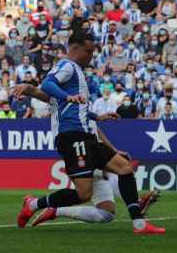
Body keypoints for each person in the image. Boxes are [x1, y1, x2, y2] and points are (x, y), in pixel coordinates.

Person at [14, 32, 164, 234]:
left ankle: (140, 224)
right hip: (72, 137)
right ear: (75, 48)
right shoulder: (66, 65)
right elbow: (49, 84)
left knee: (125, 168)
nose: (91, 55)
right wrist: (66, 96)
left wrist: (96, 117)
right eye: (89, 51)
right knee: (84, 194)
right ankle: (33, 205)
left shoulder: (76, 72)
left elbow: (72, 105)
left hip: (86, 135)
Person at [12, 83, 161, 225]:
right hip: (81, 152)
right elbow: (40, 91)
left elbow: (96, 130)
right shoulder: (61, 103)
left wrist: (114, 149)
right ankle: (137, 203)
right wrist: (26, 88)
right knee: (114, 172)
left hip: (94, 150)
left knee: (107, 213)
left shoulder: (82, 106)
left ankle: (53, 210)